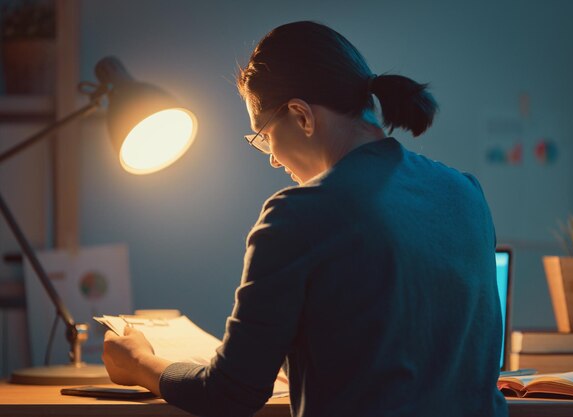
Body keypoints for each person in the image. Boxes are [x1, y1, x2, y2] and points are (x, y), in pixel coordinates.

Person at [102, 21, 508, 417]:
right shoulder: (467, 193)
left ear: (301, 116)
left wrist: (140, 364)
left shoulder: (298, 213)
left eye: (262, 137)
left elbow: (229, 393)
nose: (274, 159)